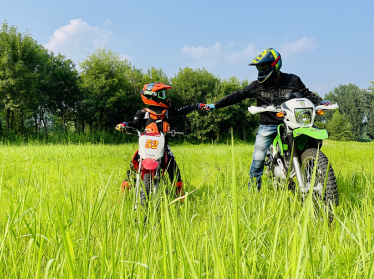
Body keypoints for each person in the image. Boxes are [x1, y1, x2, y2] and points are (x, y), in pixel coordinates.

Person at [200, 48, 332, 190]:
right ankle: (253, 192)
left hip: (292, 122)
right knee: (258, 159)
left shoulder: (293, 80)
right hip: (268, 124)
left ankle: (311, 174)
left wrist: (320, 102)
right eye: (259, 67)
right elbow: (238, 95)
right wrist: (215, 105)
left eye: (264, 67)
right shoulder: (257, 85)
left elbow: (307, 94)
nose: (261, 70)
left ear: (275, 65)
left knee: (311, 142)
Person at [116, 82, 204, 200]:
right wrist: (123, 124)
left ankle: (179, 194)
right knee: (134, 163)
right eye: (161, 94)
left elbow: (181, 110)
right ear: (152, 96)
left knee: (173, 165)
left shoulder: (167, 111)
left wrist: (196, 105)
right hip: (146, 146)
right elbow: (133, 123)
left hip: (163, 146)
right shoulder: (143, 113)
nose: (165, 97)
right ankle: (124, 192)